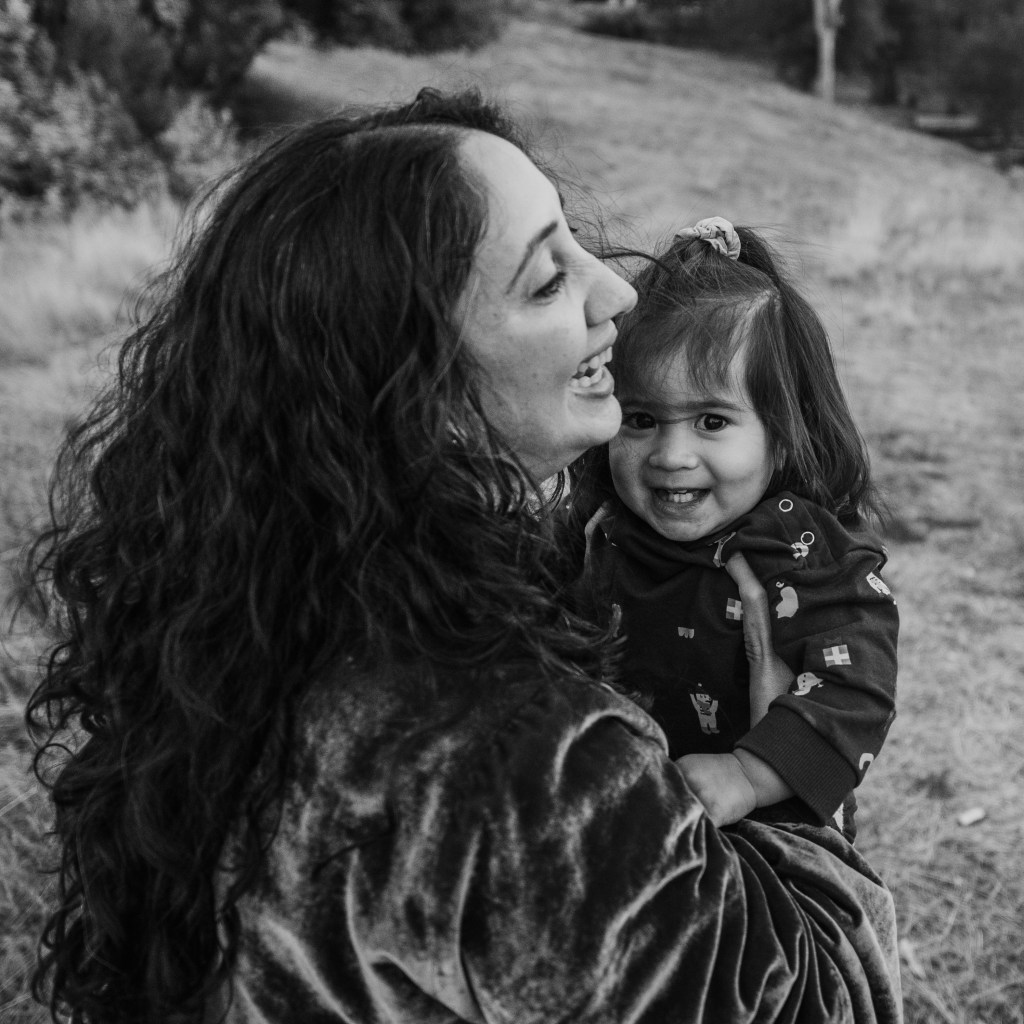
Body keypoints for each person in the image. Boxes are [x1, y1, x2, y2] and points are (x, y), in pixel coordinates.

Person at [25, 90, 903, 1024]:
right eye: (547, 281)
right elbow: (817, 1002)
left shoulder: (259, 606)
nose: (618, 293)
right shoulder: (528, 762)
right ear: (420, 389)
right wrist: (795, 815)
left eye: (576, 245)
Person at [568, 219, 899, 837]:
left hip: (763, 830)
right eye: (641, 419)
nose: (671, 456)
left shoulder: (801, 550)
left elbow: (855, 689)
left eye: (712, 422)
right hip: (625, 811)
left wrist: (750, 774)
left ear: (784, 433)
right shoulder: (599, 526)